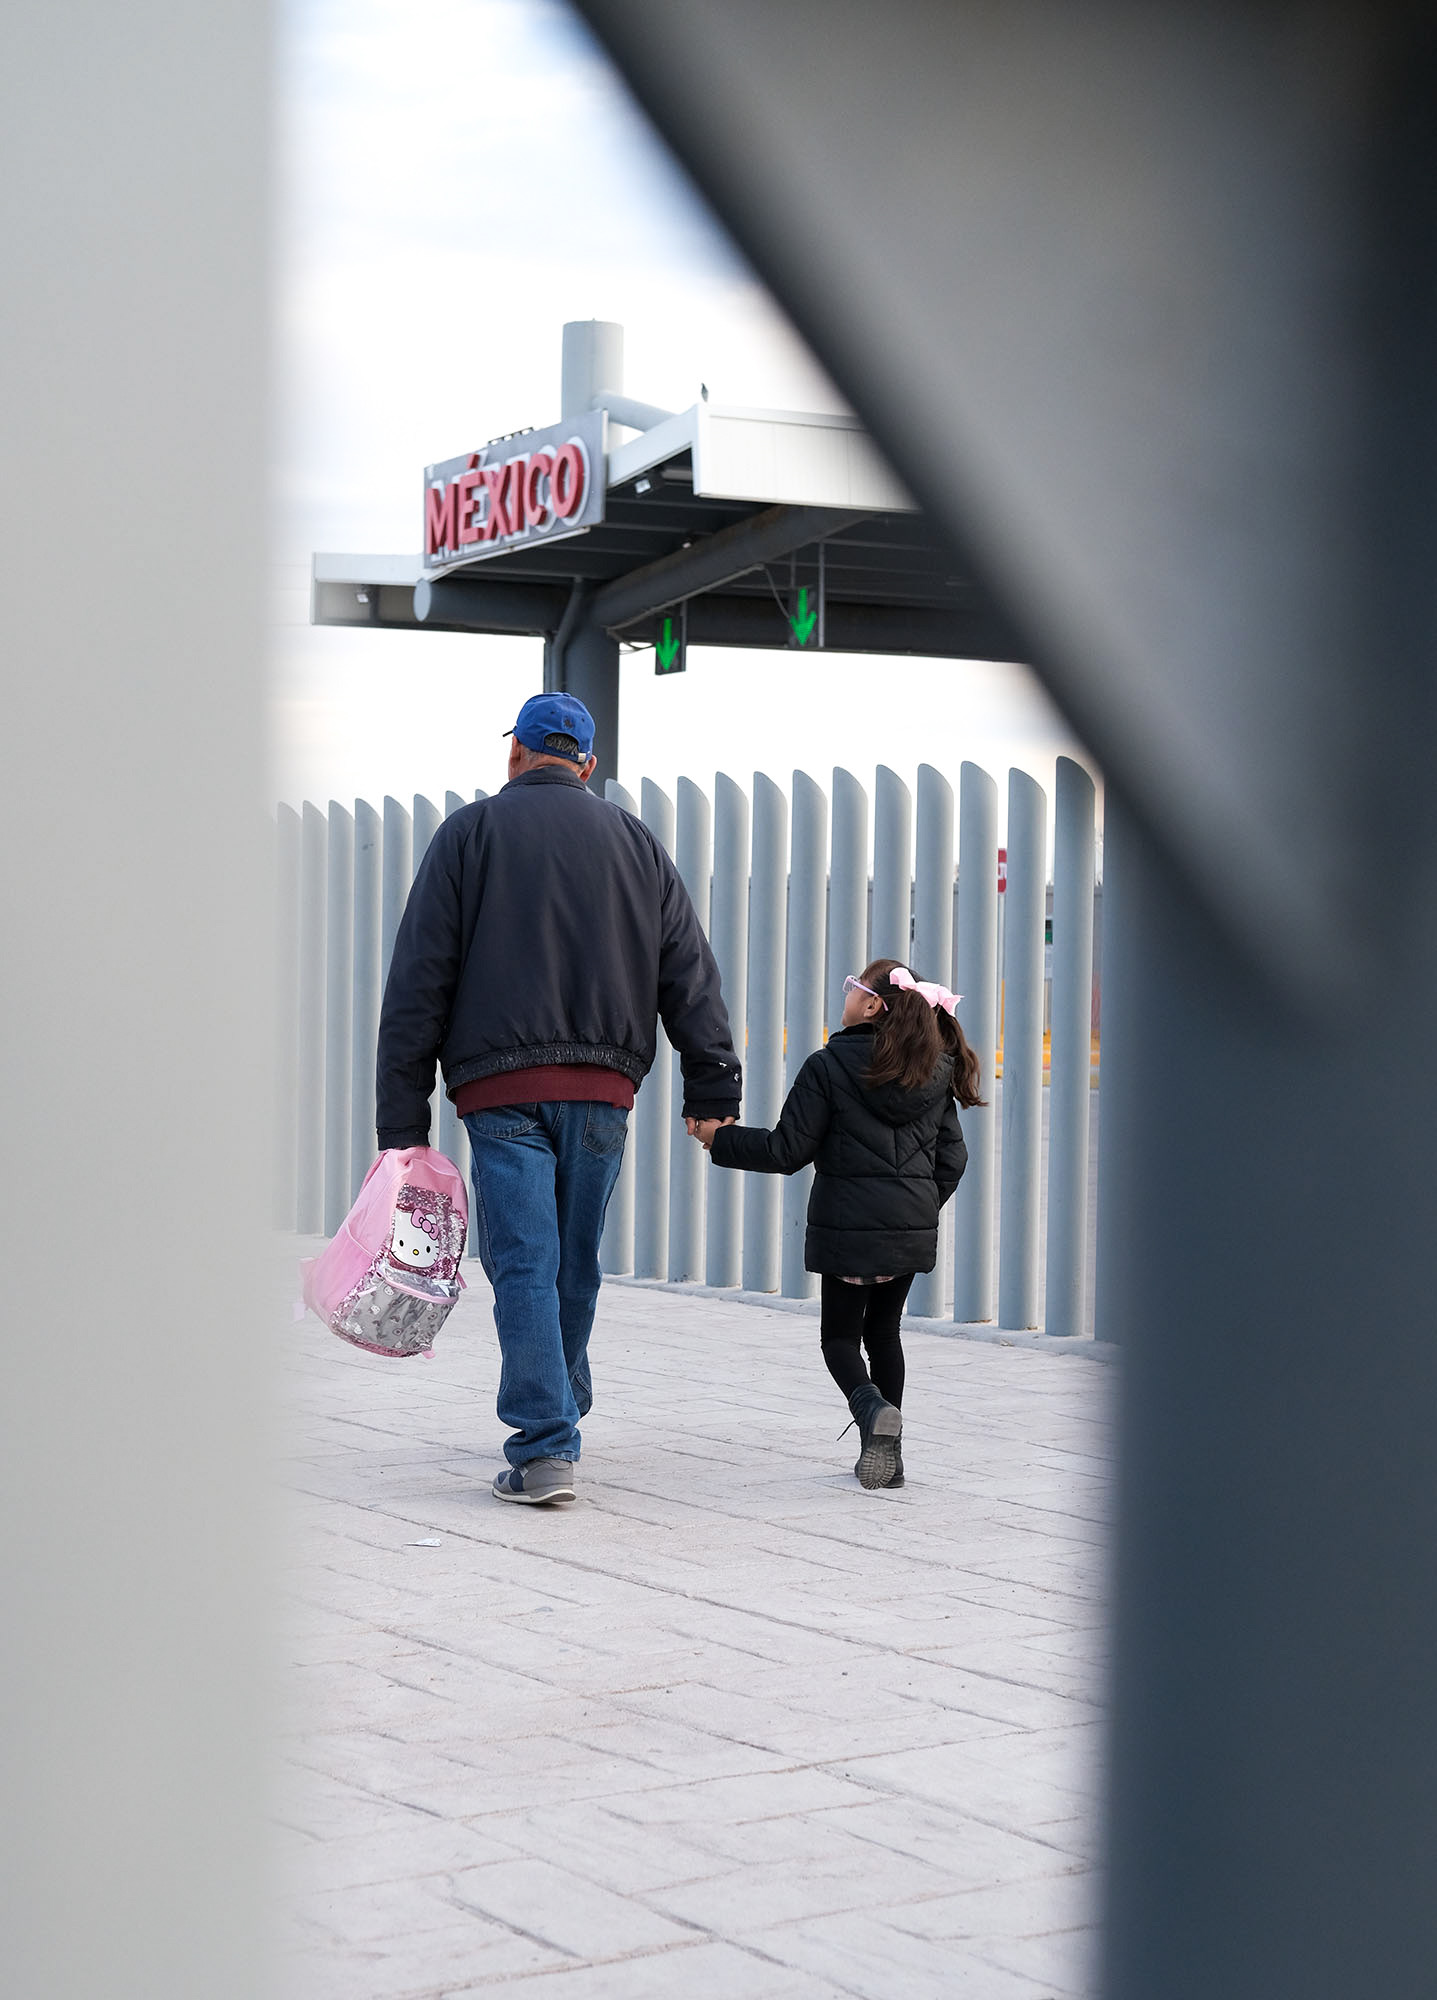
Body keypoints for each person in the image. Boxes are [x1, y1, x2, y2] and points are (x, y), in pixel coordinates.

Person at [376, 693, 741, 1506]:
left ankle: (545, 1445)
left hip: (498, 1091)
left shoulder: (468, 835)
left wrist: (403, 1122)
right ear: (586, 761)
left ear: (515, 753)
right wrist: (711, 1083)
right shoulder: (635, 843)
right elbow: (689, 970)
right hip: (604, 1092)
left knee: (525, 1265)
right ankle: (559, 1407)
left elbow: (418, 983)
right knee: (571, 1263)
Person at [691, 957, 981, 1489]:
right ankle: (890, 1464)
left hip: (847, 1230)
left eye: (852, 988)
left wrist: (718, 1138)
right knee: (885, 1333)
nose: (844, 995)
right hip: (906, 1233)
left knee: (840, 1340)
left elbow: (786, 1149)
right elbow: (953, 1160)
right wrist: (913, 1209)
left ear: (873, 1004)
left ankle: (871, 1411)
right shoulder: (932, 1071)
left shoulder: (828, 1065)